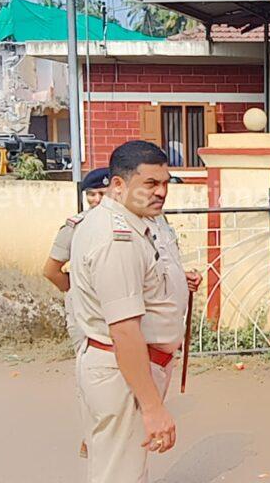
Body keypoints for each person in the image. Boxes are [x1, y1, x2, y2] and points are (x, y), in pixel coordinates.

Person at [70, 141, 201, 483]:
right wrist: (154, 408)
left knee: (124, 468)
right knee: (120, 474)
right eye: (150, 183)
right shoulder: (116, 238)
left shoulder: (140, 220)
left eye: (165, 183)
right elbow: (124, 330)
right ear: (118, 185)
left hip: (135, 367)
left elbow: (147, 279)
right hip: (124, 370)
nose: (161, 192)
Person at [43, 167, 110, 459]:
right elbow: (51, 270)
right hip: (84, 315)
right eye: (91, 194)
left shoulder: (126, 224)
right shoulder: (75, 227)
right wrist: (78, 291)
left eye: (102, 193)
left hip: (117, 309)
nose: (96, 199)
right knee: (89, 373)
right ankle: (90, 435)